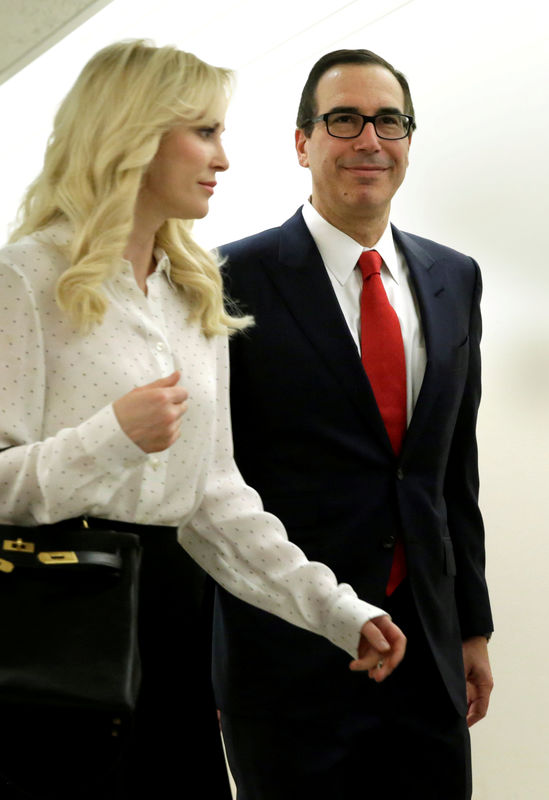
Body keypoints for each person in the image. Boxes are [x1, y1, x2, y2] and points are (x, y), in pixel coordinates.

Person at [0, 40, 406, 799]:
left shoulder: (194, 292)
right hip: (52, 623)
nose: (223, 156)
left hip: (170, 629)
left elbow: (214, 497)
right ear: (132, 135)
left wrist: (336, 611)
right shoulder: (19, 280)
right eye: (204, 131)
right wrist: (111, 437)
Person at [214, 48, 494, 799]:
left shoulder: (452, 278)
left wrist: (471, 625)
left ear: (408, 139)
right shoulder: (224, 280)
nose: (369, 140)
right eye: (343, 120)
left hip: (427, 649)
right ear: (301, 142)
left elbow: (449, 467)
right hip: (288, 652)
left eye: (389, 121)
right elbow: (208, 485)